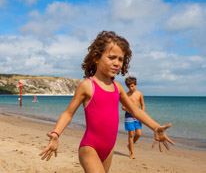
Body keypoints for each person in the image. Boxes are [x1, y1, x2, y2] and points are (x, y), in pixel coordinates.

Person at [39, 31, 174, 173]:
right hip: (89, 147)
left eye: (121, 59)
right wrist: (56, 134)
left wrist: (155, 127)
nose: (117, 63)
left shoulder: (118, 87)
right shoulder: (87, 86)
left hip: (109, 149)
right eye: (111, 57)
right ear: (96, 57)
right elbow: (68, 113)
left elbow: (135, 110)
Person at [122, 76, 145, 159]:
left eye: (132, 86)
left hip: (138, 115)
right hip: (129, 116)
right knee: (131, 134)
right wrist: (130, 111)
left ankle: (129, 145)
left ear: (136, 85)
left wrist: (142, 114)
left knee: (138, 134)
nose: (130, 88)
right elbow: (123, 107)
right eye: (128, 86)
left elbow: (142, 105)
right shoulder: (126, 95)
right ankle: (132, 152)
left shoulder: (139, 94)